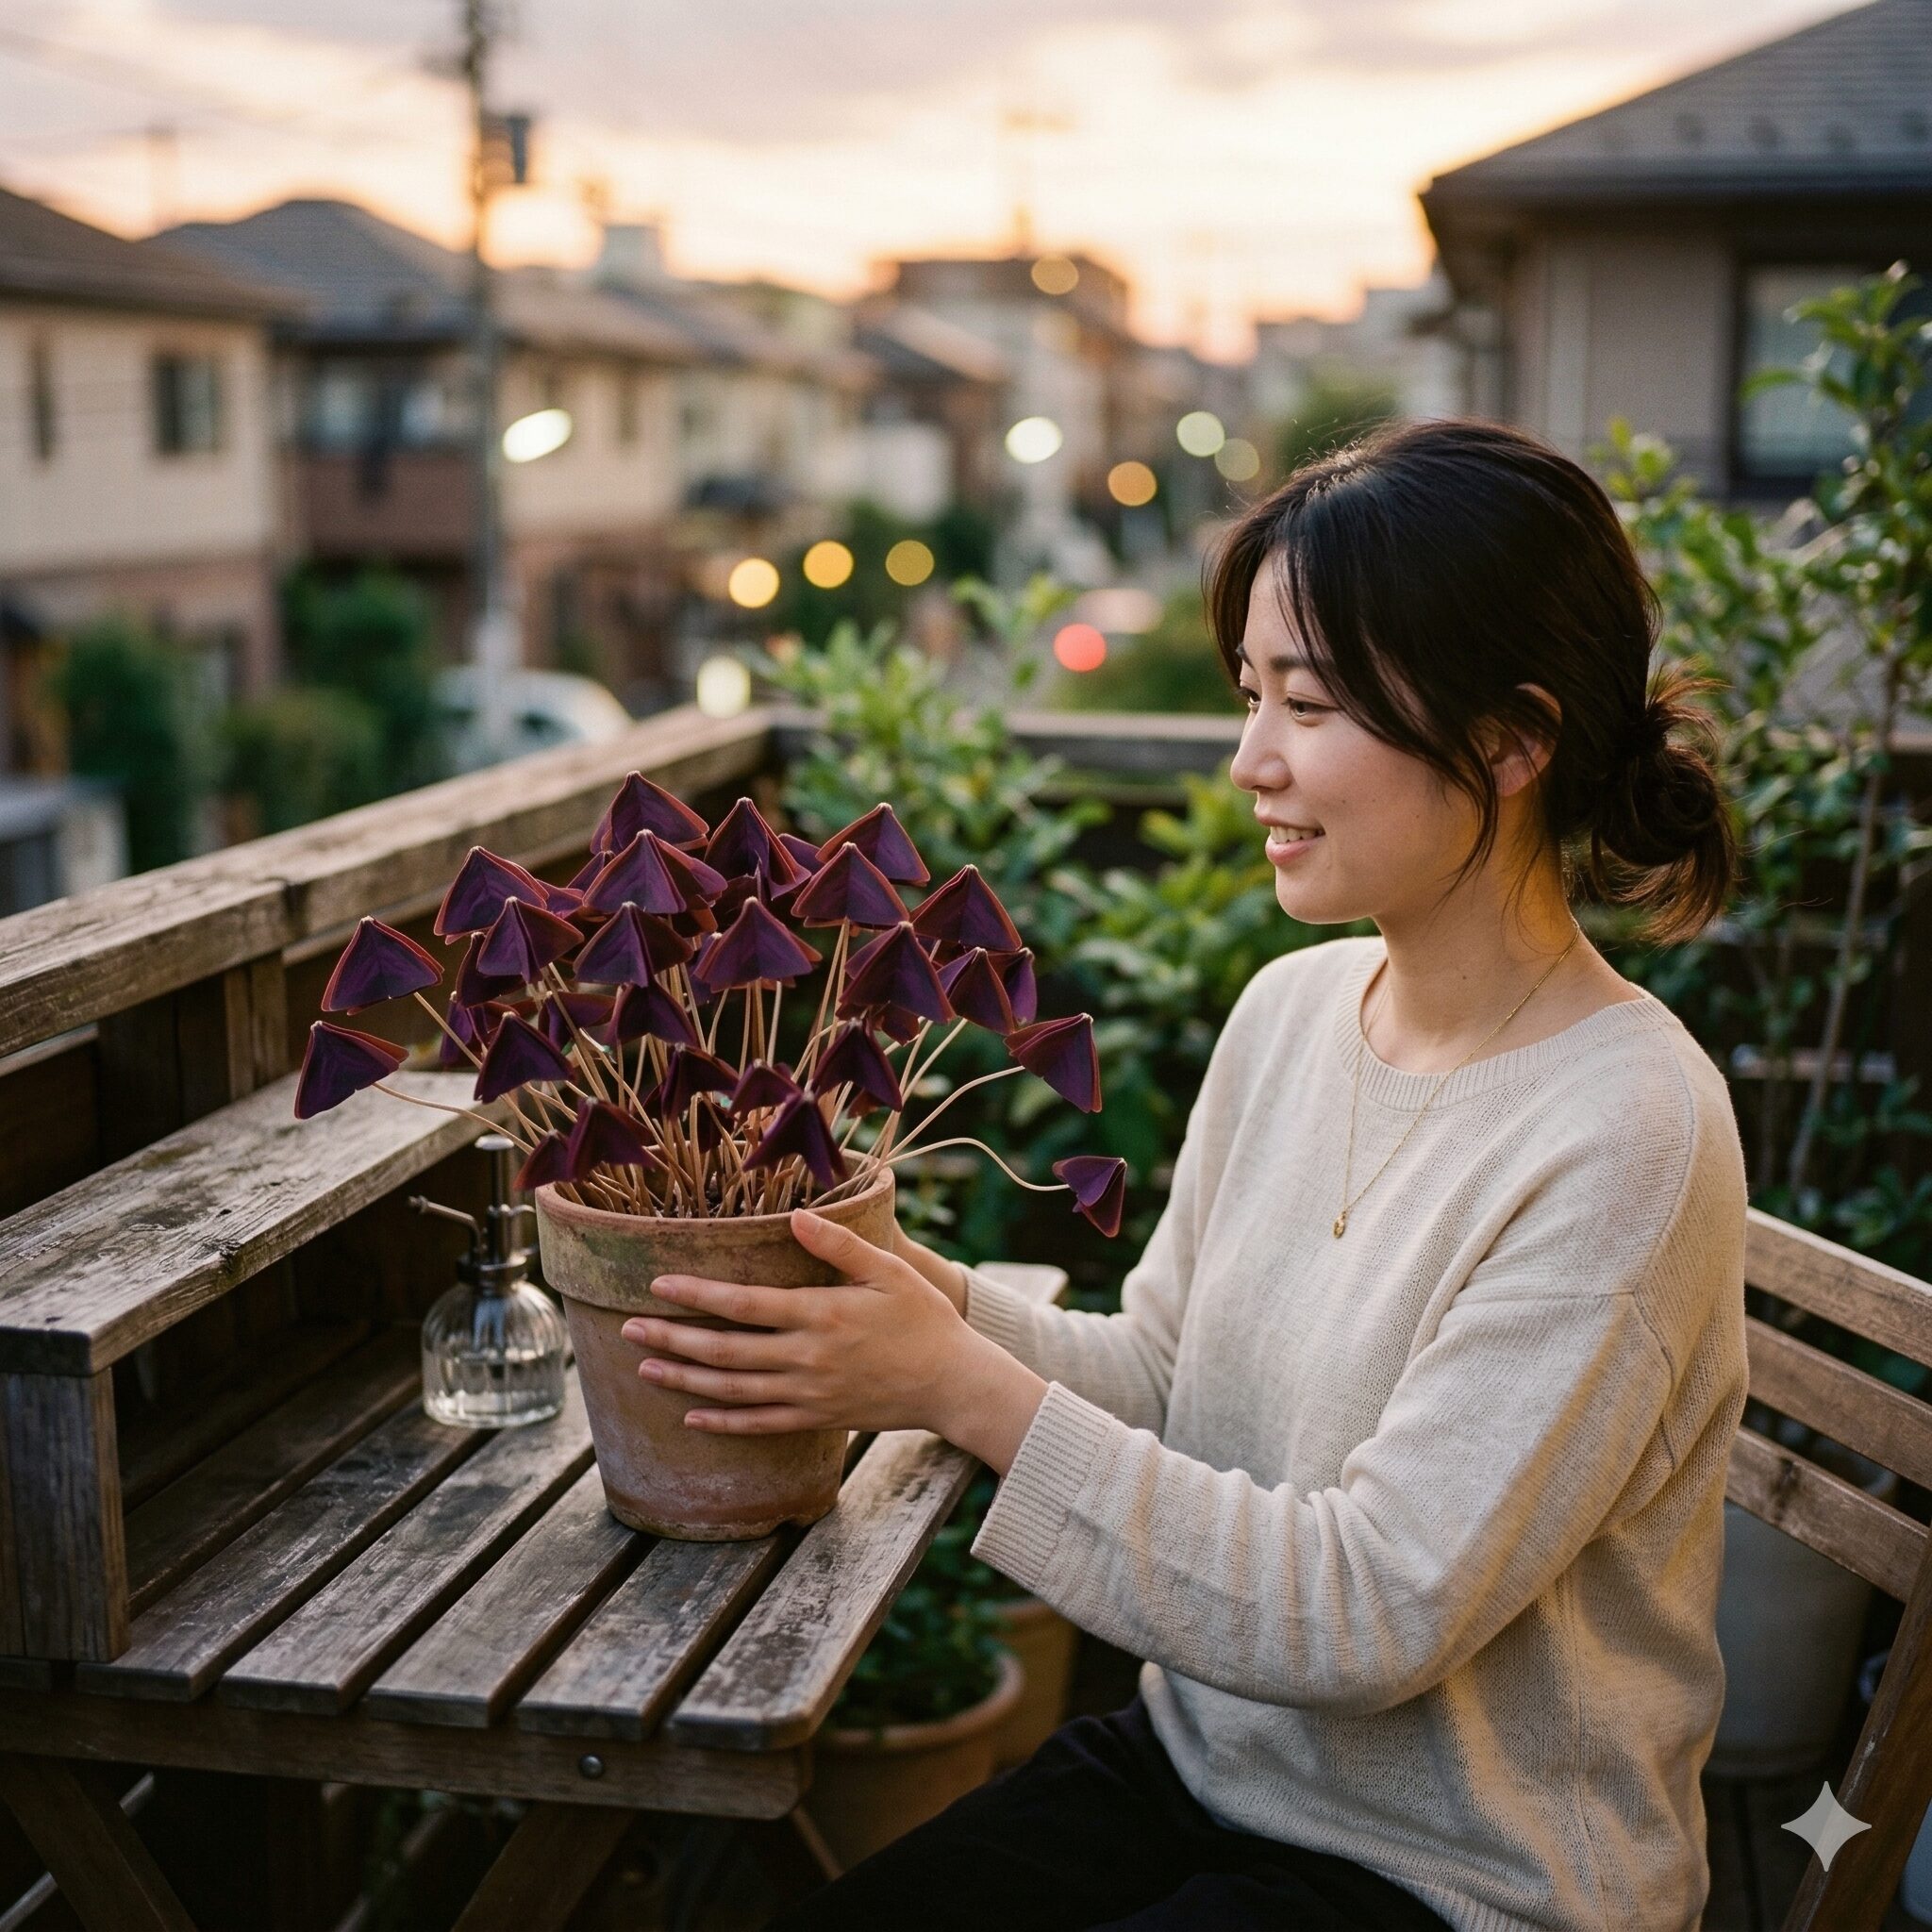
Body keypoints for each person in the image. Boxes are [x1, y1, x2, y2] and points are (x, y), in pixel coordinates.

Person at [625, 420, 1749, 1932]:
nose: (1250, 762)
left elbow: (1375, 1605)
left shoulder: (1628, 1131)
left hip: (1469, 1880)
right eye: (1247, 698)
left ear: (1509, 739)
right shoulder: (1292, 1014)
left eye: (1308, 704)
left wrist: (955, 1385)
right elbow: (1165, 1375)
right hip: (1210, 1769)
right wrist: (916, 1311)